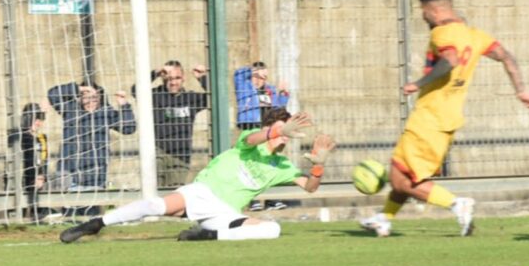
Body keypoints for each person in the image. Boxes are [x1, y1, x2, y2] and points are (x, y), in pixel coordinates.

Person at [360, 0, 529, 238]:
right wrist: (522, 90)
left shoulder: (441, 33)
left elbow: (450, 60)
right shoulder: (475, 35)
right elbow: (507, 57)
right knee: (404, 173)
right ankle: (383, 219)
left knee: (400, 179)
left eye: (423, 11)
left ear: (433, 10)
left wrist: (417, 84)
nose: (423, 17)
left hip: (429, 118)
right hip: (447, 119)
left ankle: (457, 205)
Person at [58, 108, 335, 243]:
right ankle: (96, 222)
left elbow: (309, 187)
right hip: (202, 192)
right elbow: (252, 140)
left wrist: (319, 166)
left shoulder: (282, 165)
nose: (286, 135)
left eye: (288, 130)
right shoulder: (251, 141)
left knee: (272, 230)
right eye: (281, 128)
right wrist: (277, 130)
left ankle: (209, 236)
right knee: (155, 205)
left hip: (225, 212)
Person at [47, 80, 136, 192]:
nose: (90, 101)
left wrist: (124, 104)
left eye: (94, 97)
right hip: (68, 175)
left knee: (92, 208)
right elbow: (52, 94)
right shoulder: (70, 110)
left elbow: (129, 128)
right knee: (70, 208)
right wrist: (81, 88)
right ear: (80, 98)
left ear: (100, 98)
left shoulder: (105, 113)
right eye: (86, 97)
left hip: (95, 177)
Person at [132, 60, 210, 188]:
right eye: (169, 79)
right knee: (153, 191)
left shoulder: (191, 98)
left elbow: (214, 97)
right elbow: (136, 90)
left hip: (180, 153)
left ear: (183, 78)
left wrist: (202, 78)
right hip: (157, 151)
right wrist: (156, 73)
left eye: (177, 78)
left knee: (174, 193)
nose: (173, 82)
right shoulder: (155, 95)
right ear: (163, 78)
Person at [233, 60, 290, 210]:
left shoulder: (269, 90)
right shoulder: (244, 86)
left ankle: (271, 199)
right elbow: (238, 74)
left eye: (263, 77)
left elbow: (278, 110)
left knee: (268, 163)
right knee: (250, 164)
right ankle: (253, 200)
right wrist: (253, 71)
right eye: (256, 77)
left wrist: (283, 95)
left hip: (267, 131)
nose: (259, 81)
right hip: (250, 128)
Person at [18, 102, 50, 222]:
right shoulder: (20, 137)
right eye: (35, 118)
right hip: (23, 178)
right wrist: (35, 176)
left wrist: (42, 175)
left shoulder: (41, 138)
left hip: (38, 180)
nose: (38, 122)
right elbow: (27, 160)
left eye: (40, 118)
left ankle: (39, 214)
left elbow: (43, 160)